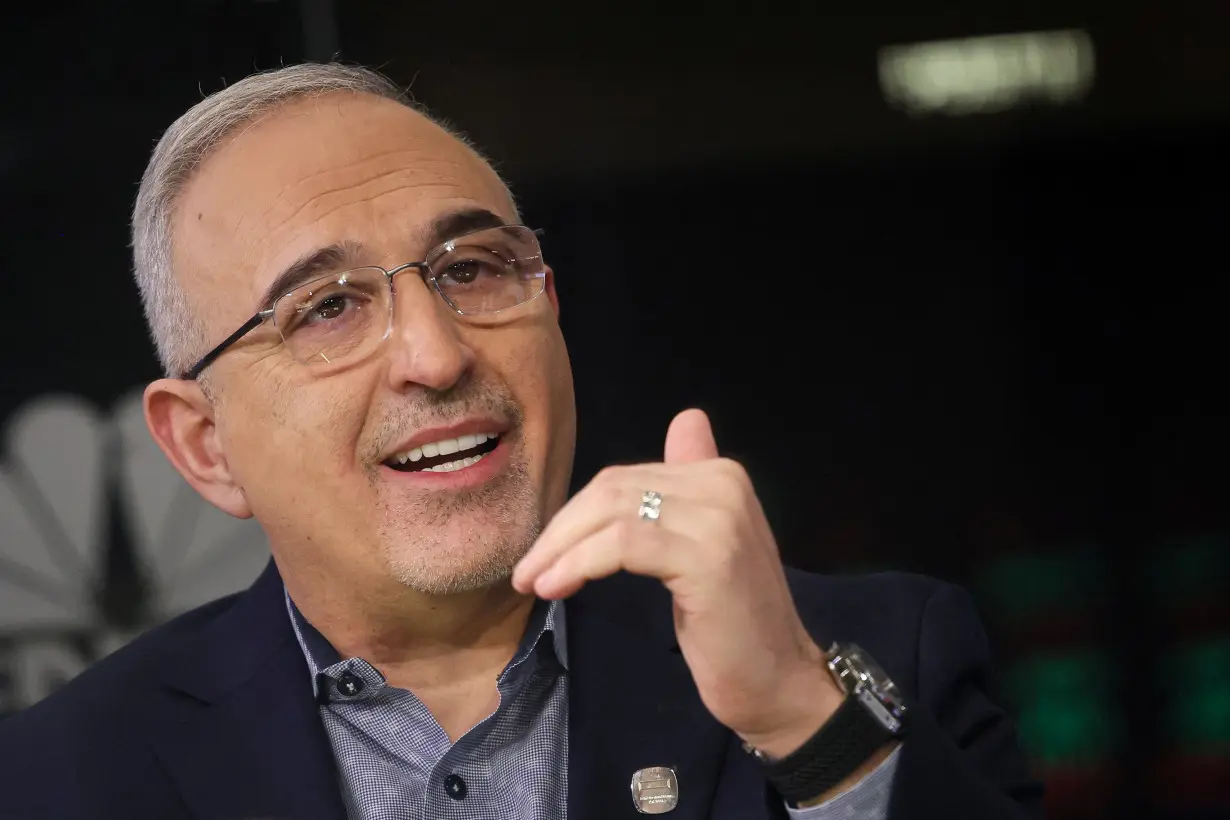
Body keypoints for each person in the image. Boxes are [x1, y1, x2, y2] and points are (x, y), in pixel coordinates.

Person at [0, 63, 1041, 820]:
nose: (435, 353)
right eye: (324, 309)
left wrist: (807, 726)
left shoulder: (872, 656)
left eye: (473, 269)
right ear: (204, 446)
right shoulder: (61, 779)